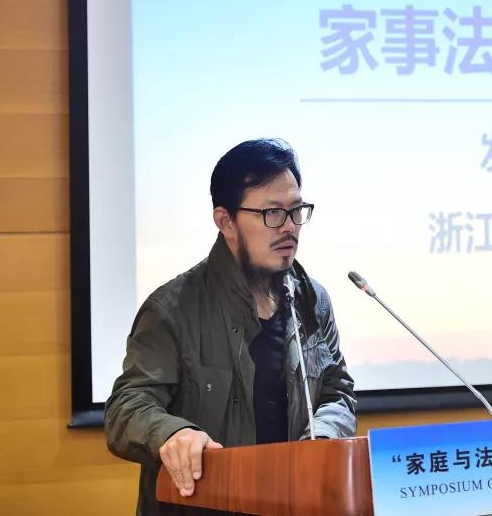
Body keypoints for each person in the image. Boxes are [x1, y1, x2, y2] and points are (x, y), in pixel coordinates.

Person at [105, 139, 357, 515]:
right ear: (226, 221)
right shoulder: (173, 308)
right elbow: (126, 407)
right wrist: (172, 432)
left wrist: (324, 434)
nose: (290, 227)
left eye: (296, 211)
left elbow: (338, 393)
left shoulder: (311, 300)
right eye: (273, 213)